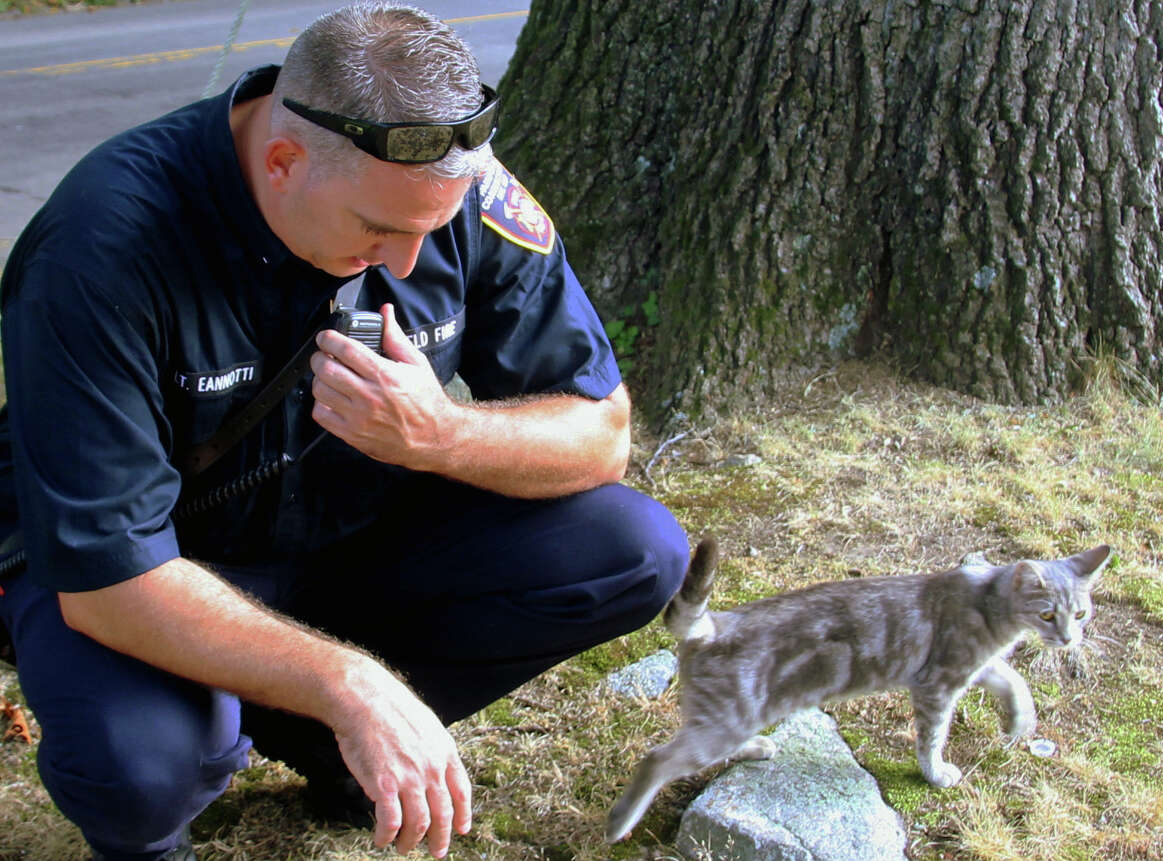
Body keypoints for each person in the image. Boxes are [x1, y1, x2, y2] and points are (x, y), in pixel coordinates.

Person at [0, 4, 688, 860]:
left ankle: (332, 752)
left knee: (634, 546)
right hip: (161, 572)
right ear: (284, 161)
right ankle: (194, 788)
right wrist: (351, 679)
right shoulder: (101, 244)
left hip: (347, 538)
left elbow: (602, 433)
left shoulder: (443, 188)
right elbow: (109, 578)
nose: (408, 260)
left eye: (429, 231)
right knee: (143, 765)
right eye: (381, 232)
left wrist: (440, 433)